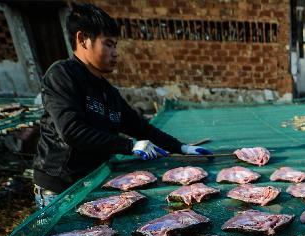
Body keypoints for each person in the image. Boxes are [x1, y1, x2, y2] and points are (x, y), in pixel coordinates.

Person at [32, 3, 211, 208]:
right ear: (83, 40)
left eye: (115, 45)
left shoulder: (108, 92)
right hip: (60, 188)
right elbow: (71, 131)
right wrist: (130, 146)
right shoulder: (62, 75)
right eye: (108, 44)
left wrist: (182, 147)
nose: (115, 52)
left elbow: (141, 128)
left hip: (92, 182)